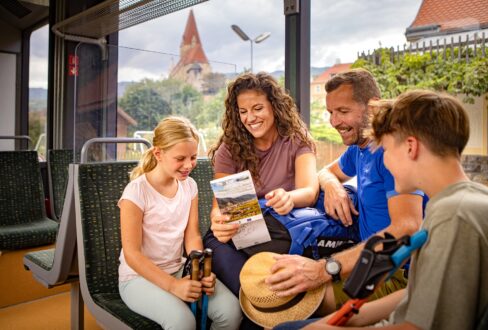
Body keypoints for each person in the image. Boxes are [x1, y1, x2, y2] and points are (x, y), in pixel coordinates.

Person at [284, 90, 488, 329]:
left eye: (385, 150)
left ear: (411, 147)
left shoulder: (454, 217)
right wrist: (352, 316)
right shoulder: (467, 200)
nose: (384, 161)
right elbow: (418, 293)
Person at [266, 69, 425, 311]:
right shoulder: (359, 148)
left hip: (396, 275)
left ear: (373, 107)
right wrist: (332, 186)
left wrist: (323, 269)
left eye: (343, 111)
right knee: (274, 288)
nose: (334, 122)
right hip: (367, 264)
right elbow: (325, 171)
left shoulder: (392, 153)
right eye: (330, 112)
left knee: (283, 302)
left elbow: (408, 226)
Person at [118, 116, 242, 330]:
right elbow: (133, 255)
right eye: (180, 158)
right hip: (137, 278)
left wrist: (202, 269)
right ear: (158, 153)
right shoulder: (136, 192)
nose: (188, 165)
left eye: (193, 157)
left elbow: (192, 235)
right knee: (183, 322)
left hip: (178, 268)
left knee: (231, 313)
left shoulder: (189, 186)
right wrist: (173, 286)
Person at [203, 72, 320, 298]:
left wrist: (290, 198)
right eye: (243, 111)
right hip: (235, 236)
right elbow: (219, 206)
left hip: (279, 233)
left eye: (257, 108)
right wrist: (217, 221)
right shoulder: (230, 148)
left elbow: (310, 191)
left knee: (266, 292)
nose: (250, 118)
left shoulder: (297, 139)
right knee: (254, 293)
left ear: (274, 107)